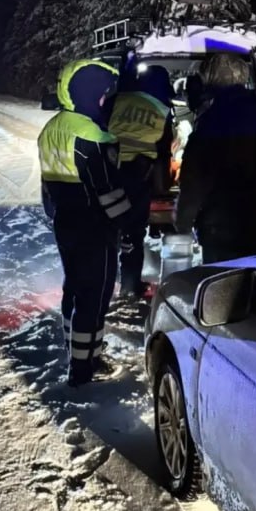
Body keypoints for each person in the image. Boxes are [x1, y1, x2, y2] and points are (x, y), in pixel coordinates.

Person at [38, 58, 129, 386]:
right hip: (94, 225)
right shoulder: (92, 133)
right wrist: (126, 227)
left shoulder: (51, 129)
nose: (106, 100)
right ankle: (84, 366)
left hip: (65, 219)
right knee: (96, 293)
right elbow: (107, 190)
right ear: (89, 94)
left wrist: (56, 214)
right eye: (103, 94)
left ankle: (72, 345)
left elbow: (47, 185)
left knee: (74, 285)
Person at [175, 52, 256, 263]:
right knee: (248, 284)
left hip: (218, 227)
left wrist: (183, 221)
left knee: (218, 287)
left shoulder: (211, 120)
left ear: (213, 80)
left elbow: (193, 179)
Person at [104, 64, 175, 300]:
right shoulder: (162, 111)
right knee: (132, 233)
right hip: (137, 176)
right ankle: (130, 286)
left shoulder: (116, 100)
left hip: (108, 172)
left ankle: (103, 280)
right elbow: (163, 155)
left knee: (107, 228)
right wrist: (162, 188)